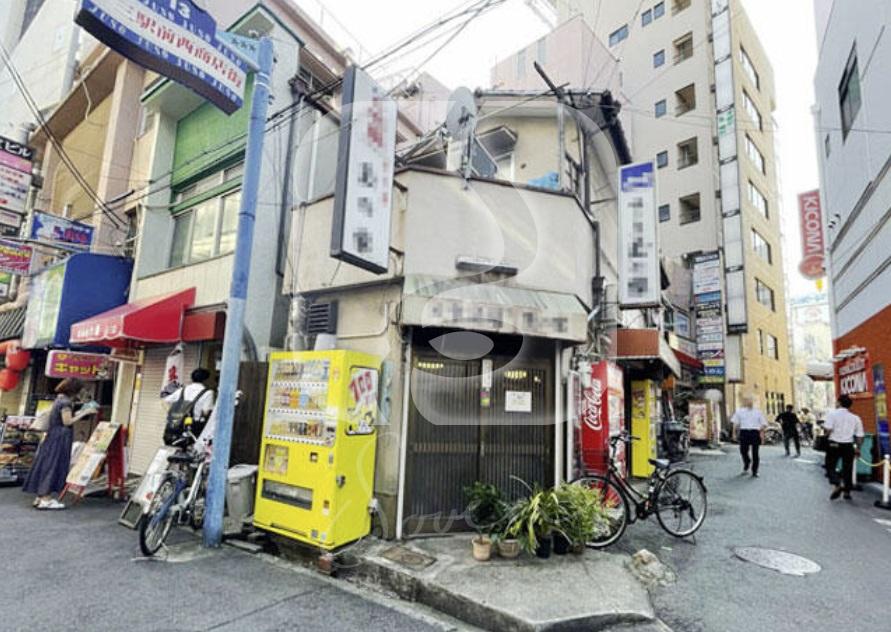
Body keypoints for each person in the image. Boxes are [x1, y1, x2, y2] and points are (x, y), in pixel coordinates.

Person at [22, 378, 96, 510]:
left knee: (46, 464)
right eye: (80, 390)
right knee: (54, 465)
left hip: (52, 436)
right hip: (60, 438)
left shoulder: (59, 399)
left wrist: (77, 412)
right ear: (74, 390)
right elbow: (67, 422)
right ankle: (46, 499)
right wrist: (85, 412)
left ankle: (40, 497)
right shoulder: (66, 402)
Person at [823, 394, 865, 500]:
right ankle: (847, 492)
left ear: (839, 403)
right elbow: (860, 436)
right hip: (848, 445)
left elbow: (828, 430)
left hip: (834, 444)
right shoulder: (856, 418)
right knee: (848, 468)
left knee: (830, 466)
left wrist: (826, 435)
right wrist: (858, 448)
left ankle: (837, 484)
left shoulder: (832, 414)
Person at [162, 368, 215, 441]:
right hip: (192, 428)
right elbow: (205, 412)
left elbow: (164, 401)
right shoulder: (208, 393)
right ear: (206, 380)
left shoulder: (183, 389)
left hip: (175, 427)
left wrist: (171, 412)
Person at [731, 395, 767, 478]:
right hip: (744, 432)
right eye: (748, 400)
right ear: (745, 402)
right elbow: (735, 423)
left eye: (751, 400)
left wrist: (761, 433)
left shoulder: (758, 412)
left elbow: (764, 424)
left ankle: (755, 471)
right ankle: (747, 462)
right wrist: (734, 433)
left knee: (755, 453)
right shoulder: (740, 411)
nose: (750, 402)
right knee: (743, 451)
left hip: (755, 432)